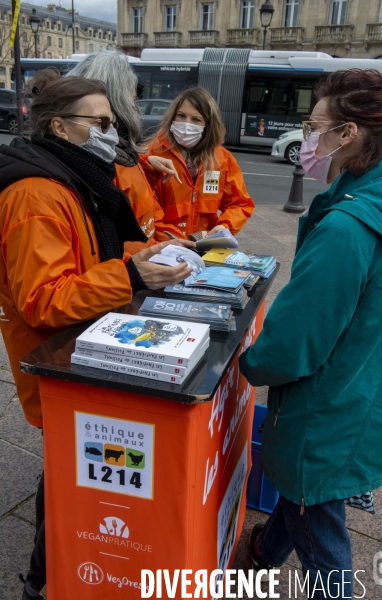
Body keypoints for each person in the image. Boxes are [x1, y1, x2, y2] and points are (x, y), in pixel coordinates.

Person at [0, 70, 194, 600]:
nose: (113, 131)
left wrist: (140, 257)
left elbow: (89, 258)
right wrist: (130, 276)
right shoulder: (37, 194)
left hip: (82, 344)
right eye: (101, 122)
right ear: (60, 126)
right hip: (54, 357)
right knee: (66, 470)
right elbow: (42, 299)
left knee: (70, 466)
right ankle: (42, 580)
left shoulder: (73, 175)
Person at [239, 68, 382, 599]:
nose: (308, 138)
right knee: (306, 496)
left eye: (314, 125)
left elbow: (291, 345)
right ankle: (262, 553)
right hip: (366, 396)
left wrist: (247, 360)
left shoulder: (345, 228)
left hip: (326, 414)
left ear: (347, 133)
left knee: (319, 521)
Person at [67, 50, 181, 255]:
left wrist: (178, 243)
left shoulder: (125, 155)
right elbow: (114, 243)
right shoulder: (98, 163)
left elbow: (148, 219)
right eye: (132, 99)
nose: (135, 108)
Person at [145, 86, 255, 241]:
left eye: (196, 119)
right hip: (163, 248)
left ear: (208, 126)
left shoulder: (222, 159)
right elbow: (147, 210)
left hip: (203, 246)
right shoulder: (153, 154)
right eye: (181, 116)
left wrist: (225, 225)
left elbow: (240, 203)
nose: (186, 124)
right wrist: (173, 240)